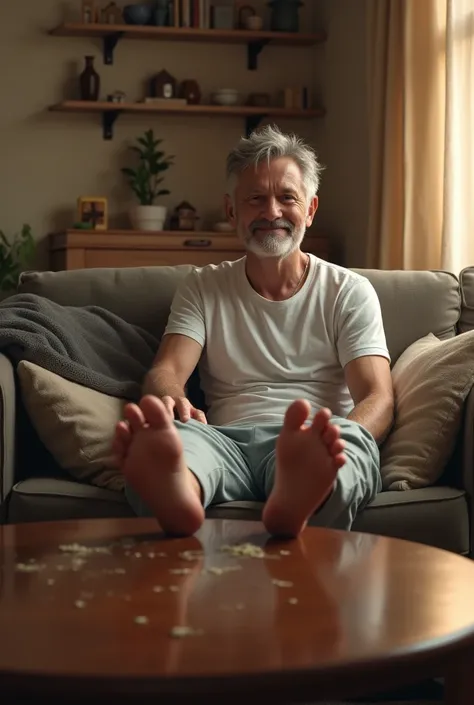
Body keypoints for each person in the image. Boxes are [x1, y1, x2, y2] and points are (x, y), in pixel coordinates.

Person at [112, 125, 394, 538]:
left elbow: (378, 397)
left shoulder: (348, 291)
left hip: (312, 441)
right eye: (255, 199)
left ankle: (301, 496)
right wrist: (172, 399)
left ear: (311, 209)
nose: (271, 212)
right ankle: (179, 495)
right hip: (224, 441)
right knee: (183, 443)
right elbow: (167, 369)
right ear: (232, 212)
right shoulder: (202, 286)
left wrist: (341, 435)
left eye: (287, 197)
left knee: (347, 453)